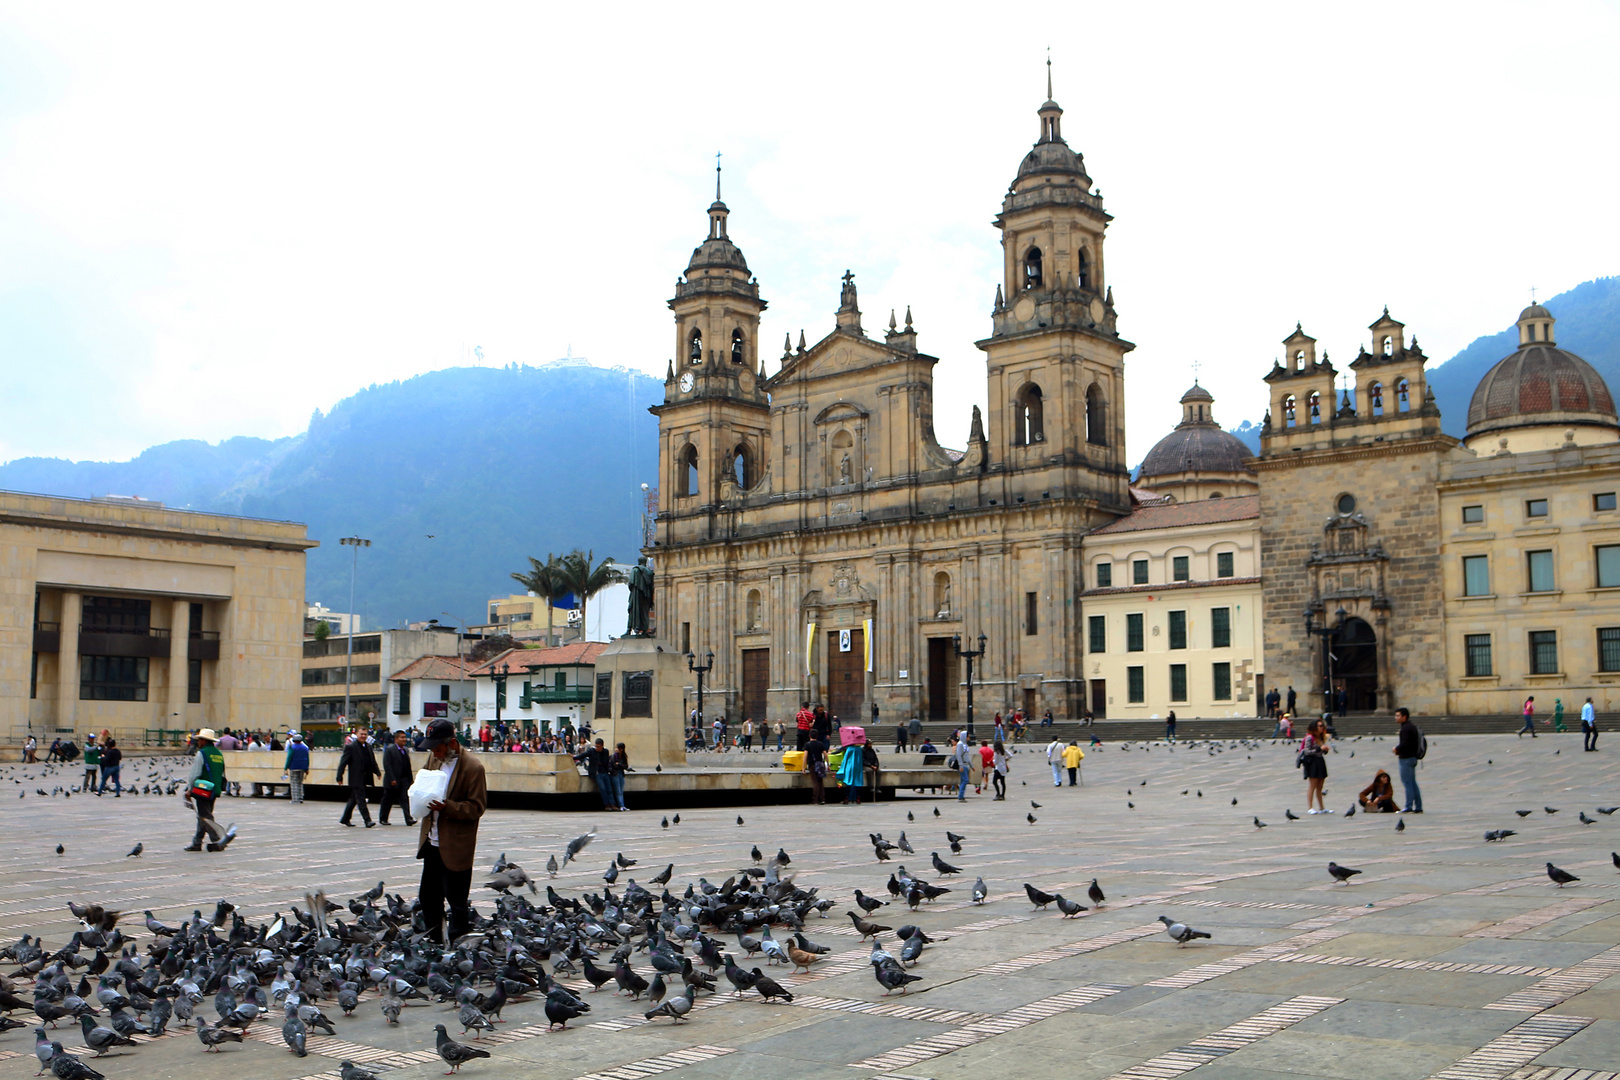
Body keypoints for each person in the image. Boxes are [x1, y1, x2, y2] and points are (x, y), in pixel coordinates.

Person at [415, 717, 486, 943]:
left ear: (452, 743)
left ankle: (458, 945)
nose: (434, 753)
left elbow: (477, 807)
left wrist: (448, 807)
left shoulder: (473, 768)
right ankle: (433, 939)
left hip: (456, 845)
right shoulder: (433, 760)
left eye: (437, 747)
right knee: (427, 897)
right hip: (432, 841)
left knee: (456, 901)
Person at [183, 728, 236, 852]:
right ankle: (197, 842)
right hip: (214, 790)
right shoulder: (218, 754)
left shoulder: (202, 753)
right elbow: (222, 774)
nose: (198, 742)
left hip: (202, 790)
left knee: (205, 816)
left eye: (200, 740)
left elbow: (195, 774)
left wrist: (189, 789)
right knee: (203, 815)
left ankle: (218, 840)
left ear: (204, 741)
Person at [336, 730, 380, 827]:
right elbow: (343, 763)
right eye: (361, 734)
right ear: (357, 735)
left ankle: (345, 819)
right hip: (356, 778)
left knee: (354, 799)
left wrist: (377, 772)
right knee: (361, 799)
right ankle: (367, 820)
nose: (363, 736)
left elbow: (372, 761)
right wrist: (339, 776)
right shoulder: (351, 747)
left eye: (365, 734)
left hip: (365, 777)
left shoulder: (368, 747)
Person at [380, 730, 416, 826]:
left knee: (405, 799)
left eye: (405, 737)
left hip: (404, 779)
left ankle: (409, 819)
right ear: (396, 739)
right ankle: (383, 818)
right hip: (393, 779)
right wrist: (392, 778)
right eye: (402, 737)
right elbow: (387, 765)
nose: (404, 739)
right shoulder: (390, 749)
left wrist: (410, 779)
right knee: (388, 799)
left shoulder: (405, 750)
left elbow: (408, 765)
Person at [1393, 707, 1423, 813]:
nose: (1395, 718)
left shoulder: (1406, 728)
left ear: (1404, 717)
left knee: (1407, 783)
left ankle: (1408, 806)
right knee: (1412, 783)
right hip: (1413, 758)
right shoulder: (1411, 727)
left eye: (1398, 716)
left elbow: (1405, 744)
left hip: (1406, 758)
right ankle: (1418, 806)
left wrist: (1396, 749)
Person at [1299, 719, 1329, 814]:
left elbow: (1320, 751)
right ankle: (1310, 807)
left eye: (1322, 726)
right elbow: (1307, 751)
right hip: (1312, 762)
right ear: (1314, 728)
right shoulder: (1309, 738)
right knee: (1312, 785)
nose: (1322, 728)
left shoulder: (1320, 738)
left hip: (1320, 761)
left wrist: (1325, 750)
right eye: (1320, 726)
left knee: (1320, 786)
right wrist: (1319, 749)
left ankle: (1322, 807)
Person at [838, 729, 867, 804]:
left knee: (849, 781)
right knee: (857, 782)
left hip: (850, 767)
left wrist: (842, 768)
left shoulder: (849, 748)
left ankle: (846, 798)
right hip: (858, 767)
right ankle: (858, 798)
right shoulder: (859, 749)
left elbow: (845, 759)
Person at [284, 731, 309, 804]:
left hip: (293, 767)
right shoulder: (305, 748)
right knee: (300, 782)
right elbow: (307, 758)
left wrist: (286, 768)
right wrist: (307, 768)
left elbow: (289, 758)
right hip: (302, 767)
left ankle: (295, 799)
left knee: (294, 783)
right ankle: (301, 797)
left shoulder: (292, 747)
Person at [805, 731, 829, 805]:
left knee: (815, 782)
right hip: (820, 764)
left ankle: (815, 799)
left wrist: (803, 767)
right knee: (820, 782)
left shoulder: (807, 745)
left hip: (812, 764)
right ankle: (822, 799)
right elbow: (825, 755)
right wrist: (828, 765)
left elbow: (805, 756)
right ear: (817, 736)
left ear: (809, 736)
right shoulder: (821, 744)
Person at [951, 733, 972, 801]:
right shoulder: (960, 744)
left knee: (964, 780)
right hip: (963, 764)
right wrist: (961, 765)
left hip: (965, 764)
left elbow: (966, 757)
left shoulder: (964, 745)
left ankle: (961, 795)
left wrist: (971, 765)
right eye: (968, 736)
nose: (969, 738)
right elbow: (959, 755)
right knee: (965, 780)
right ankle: (960, 796)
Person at [610, 742, 630, 810]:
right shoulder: (613, 756)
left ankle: (622, 805)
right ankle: (621, 805)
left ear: (621, 749)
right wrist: (619, 765)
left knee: (621, 790)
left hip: (621, 773)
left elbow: (626, 766)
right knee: (618, 791)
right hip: (615, 774)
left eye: (617, 748)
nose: (615, 749)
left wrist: (619, 764)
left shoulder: (624, 756)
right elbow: (613, 765)